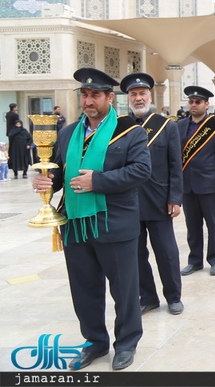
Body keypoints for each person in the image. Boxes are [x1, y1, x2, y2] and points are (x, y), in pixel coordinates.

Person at [32, 68, 151, 371]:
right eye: (84, 95)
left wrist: (98, 181)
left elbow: (140, 171)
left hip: (114, 222)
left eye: (95, 95)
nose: (88, 100)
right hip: (75, 223)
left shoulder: (130, 131)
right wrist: (47, 181)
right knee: (84, 288)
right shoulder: (68, 132)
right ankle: (95, 342)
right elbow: (60, 170)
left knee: (124, 289)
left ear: (110, 98)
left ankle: (126, 343)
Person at [120, 72, 184, 316]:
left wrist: (175, 198)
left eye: (142, 93)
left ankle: (174, 296)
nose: (138, 98)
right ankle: (148, 297)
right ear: (128, 98)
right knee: (136, 255)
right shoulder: (119, 125)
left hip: (159, 201)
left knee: (167, 253)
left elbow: (175, 165)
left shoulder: (167, 126)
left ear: (150, 96)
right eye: (134, 94)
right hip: (127, 202)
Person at [178, 86, 215, 277]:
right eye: (191, 102)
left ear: (206, 104)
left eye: (198, 102)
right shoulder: (181, 125)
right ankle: (195, 261)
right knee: (192, 225)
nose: (193, 105)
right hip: (187, 184)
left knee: (214, 224)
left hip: (209, 184)